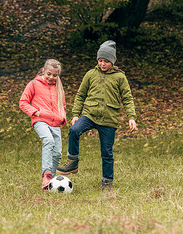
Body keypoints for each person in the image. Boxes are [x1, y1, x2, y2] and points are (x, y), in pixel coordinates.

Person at [56, 40, 137, 191]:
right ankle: (72, 161)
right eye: (100, 60)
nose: (102, 64)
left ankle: (107, 182)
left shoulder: (120, 77)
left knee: (106, 153)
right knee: (74, 130)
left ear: (112, 61)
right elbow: (81, 95)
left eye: (106, 61)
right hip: (90, 114)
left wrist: (131, 117)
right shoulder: (91, 74)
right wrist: (75, 115)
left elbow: (127, 98)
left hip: (109, 120)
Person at [20, 59, 67, 190]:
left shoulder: (59, 87)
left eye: (55, 75)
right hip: (40, 120)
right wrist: (35, 112)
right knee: (48, 141)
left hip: (55, 123)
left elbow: (62, 104)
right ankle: (46, 175)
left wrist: (62, 117)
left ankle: (50, 181)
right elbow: (23, 102)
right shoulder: (34, 84)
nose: (51, 77)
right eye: (49, 74)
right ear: (43, 71)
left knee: (57, 153)